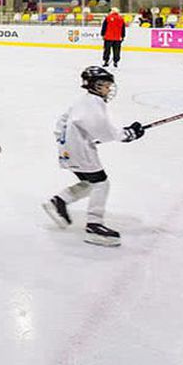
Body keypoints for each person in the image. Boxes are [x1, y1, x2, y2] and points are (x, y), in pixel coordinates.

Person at [42, 66, 145, 247]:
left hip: (71, 146)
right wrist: (128, 134)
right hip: (79, 149)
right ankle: (94, 226)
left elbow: (63, 124)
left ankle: (59, 201)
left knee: (91, 182)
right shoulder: (93, 104)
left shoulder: (84, 101)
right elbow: (104, 131)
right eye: (105, 85)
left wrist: (71, 140)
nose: (109, 89)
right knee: (101, 183)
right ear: (96, 86)